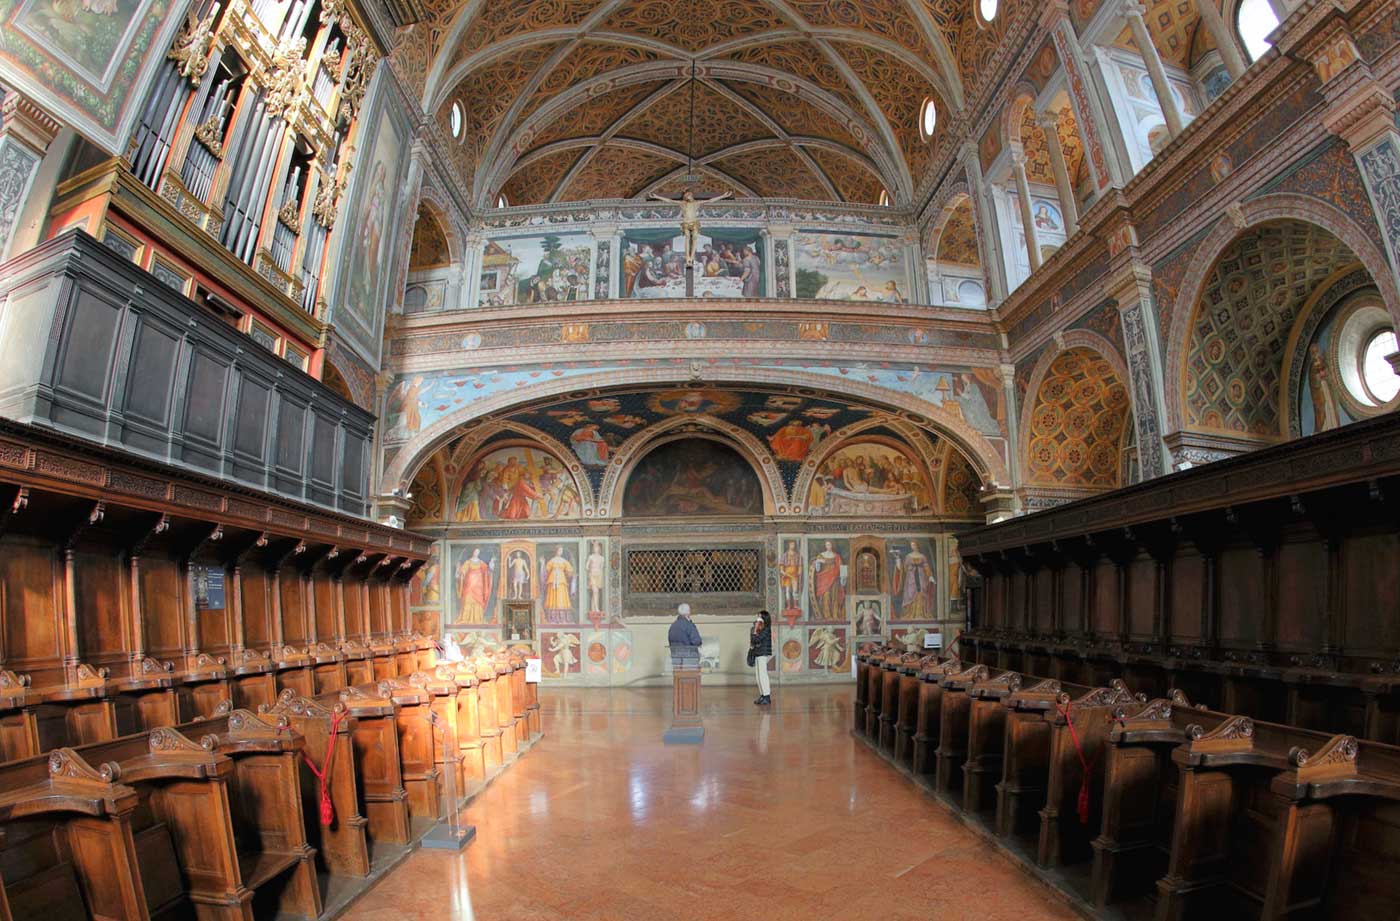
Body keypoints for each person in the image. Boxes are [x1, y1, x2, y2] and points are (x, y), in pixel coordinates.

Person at [747, 610, 773, 705]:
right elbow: (753, 639)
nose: (758, 618)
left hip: (762, 654)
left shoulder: (766, 628)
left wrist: (755, 631)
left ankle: (766, 696)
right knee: (758, 676)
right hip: (758, 653)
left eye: (760, 616)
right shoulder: (759, 627)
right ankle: (762, 695)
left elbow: (756, 639)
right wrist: (755, 629)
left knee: (763, 675)